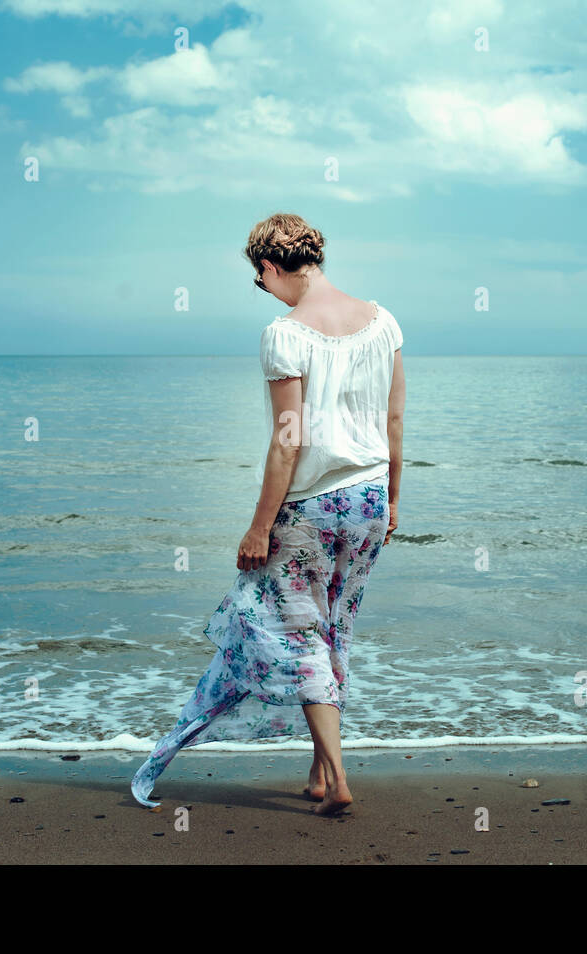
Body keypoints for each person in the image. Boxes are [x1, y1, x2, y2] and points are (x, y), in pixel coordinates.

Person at [130, 212, 405, 815]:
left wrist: (258, 527)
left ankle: (337, 778)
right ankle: (317, 772)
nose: (264, 290)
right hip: (370, 497)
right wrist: (393, 501)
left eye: (260, 281)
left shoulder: (285, 333)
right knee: (337, 628)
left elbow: (288, 440)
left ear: (269, 267)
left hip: (311, 506)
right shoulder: (384, 323)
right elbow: (393, 423)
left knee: (299, 634)